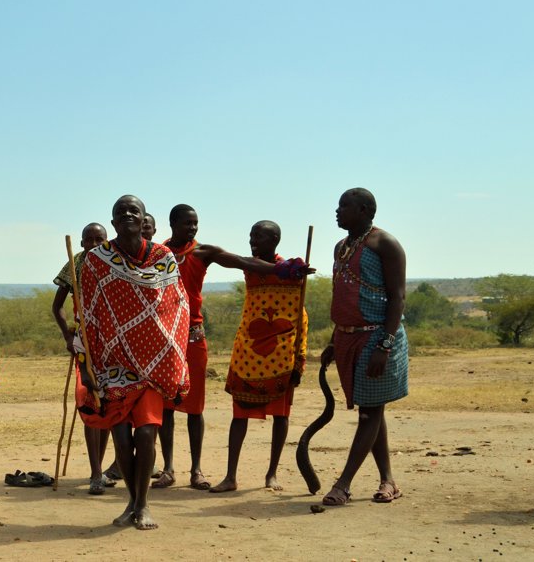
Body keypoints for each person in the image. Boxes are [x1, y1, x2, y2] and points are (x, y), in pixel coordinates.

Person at [153, 205, 307, 491]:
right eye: (187, 223)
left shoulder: (202, 252)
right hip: (163, 338)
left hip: (193, 336)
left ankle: (196, 471)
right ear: (172, 223)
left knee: (195, 407)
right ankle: (168, 469)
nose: (193, 228)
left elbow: (241, 262)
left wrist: (282, 269)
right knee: (166, 407)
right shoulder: (157, 254)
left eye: (195, 223)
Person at [78, 195, 189, 530]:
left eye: (134, 211)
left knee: (145, 435)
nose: (127, 215)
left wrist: (173, 356)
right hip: (113, 365)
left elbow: (177, 307)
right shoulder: (97, 260)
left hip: (154, 365)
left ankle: (143, 505)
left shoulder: (163, 257)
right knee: (122, 439)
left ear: (144, 221)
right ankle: (132, 501)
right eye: (120, 212)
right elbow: (85, 313)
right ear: (112, 222)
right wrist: (86, 364)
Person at [321, 188, 409, 506]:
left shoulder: (384, 243)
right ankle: (388, 481)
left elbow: (398, 297)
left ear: (364, 209)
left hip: (377, 336)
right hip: (347, 338)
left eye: (343, 206)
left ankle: (343, 484)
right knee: (372, 409)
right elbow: (342, 296)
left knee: (370, 411)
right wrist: (333, 340)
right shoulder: (340, 247)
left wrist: (385, 345)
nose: (337, 210)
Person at [209, 221, 308, 493]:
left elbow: (301, 316)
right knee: (238, 416)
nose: (252, 240)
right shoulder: (251, 266)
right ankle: (230, 476)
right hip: (248, 354)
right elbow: (236, 260)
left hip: (281, 356)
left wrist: (300, 357)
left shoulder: (294, 269)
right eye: (251, 235)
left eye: (259, 236)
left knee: (281, 416)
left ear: (274, 239)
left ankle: (271, 474)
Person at [51, 222, 114, 495]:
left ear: (107, 240)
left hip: (113, 343)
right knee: (90, 402)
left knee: (109, 405)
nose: (93, 244)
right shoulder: (75, 264)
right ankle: (96, 474)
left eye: (99, 239)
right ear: (81, 244)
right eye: (88, 240)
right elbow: (57, 306)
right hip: (84, 342)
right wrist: (68, 336)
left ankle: (98, 468)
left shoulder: (116, 263)